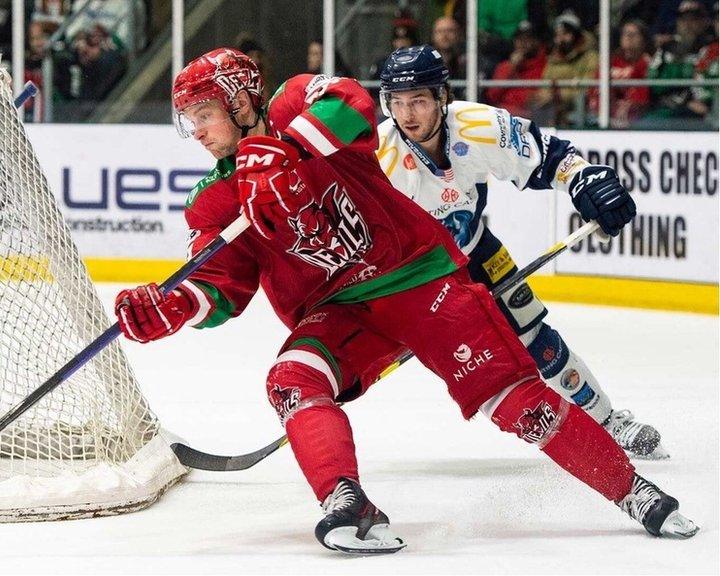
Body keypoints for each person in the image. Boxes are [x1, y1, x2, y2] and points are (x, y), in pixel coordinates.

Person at [113, 48, 698, 553]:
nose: (198, 132)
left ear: (242, 103)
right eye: (188, 121)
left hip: (416, 276)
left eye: (205, 115)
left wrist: (286, 150)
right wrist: (177, 305)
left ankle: (632, 490)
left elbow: (350, 102)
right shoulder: (215, 197)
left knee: (512, 398)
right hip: (339, 311)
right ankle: (348, 504)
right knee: (292, 379)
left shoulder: (295, 103)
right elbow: (221, 287)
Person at [375, 45, 669, 460]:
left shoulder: (478, 126)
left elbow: (552, 158)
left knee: (537, 338)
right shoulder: (380, 162)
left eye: (419, 100)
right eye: (398, 103)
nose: (408, 115)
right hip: (419, 276)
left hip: (476, 248)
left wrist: (585, 180)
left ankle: (607, 421)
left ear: (443, 98)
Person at [532, 11, 599, 126]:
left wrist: (556, 96)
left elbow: (587, 88)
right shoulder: (553, 59)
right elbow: (545, 84)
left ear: (577, 35)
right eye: (558, 35)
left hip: (581, 109)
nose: (561, 39)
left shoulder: (590, 57)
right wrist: (544, 95)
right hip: (553, 108)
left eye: (566, 33)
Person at [485, 20, 546, 118]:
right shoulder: (505, 66)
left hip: (535, 119)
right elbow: (492, 96)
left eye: (528, 39)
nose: (523, 43)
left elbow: (540, 98)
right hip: (506, 118)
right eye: (519, 39)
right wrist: (511, 67)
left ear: (536, 41)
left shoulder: (545, 65)